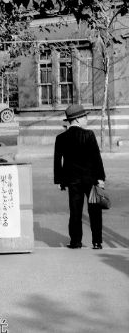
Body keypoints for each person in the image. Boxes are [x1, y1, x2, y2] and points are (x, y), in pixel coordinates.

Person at [54, 103, 106, 249]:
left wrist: (60, 181)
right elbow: (97, 158)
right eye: (84, 117)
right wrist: (100, 178)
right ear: (77, 119)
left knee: (75, 211)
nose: (86, 119)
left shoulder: (61, 138)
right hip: (91, 180)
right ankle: (97, 242)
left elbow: (58, 161)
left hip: (72, 181)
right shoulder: (89, 135)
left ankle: (75, 242)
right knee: (94, 211)